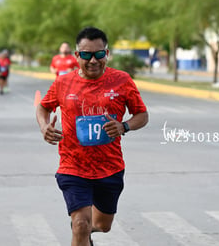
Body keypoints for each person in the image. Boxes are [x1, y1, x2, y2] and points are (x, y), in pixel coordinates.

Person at [36, 27, 149, 246]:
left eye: (99, 54)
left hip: (110, 167)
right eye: (86, 55)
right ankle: (82, 229)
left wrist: (124, 126)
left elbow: (142, 115)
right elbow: (43, 108)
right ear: (77, 56)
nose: (93, 60)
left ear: (107, 53)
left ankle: (88, 230)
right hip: (73, 166)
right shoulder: (63, 83)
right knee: (80, 224)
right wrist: (43, 127)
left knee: (103, 225)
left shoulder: (122, 80)